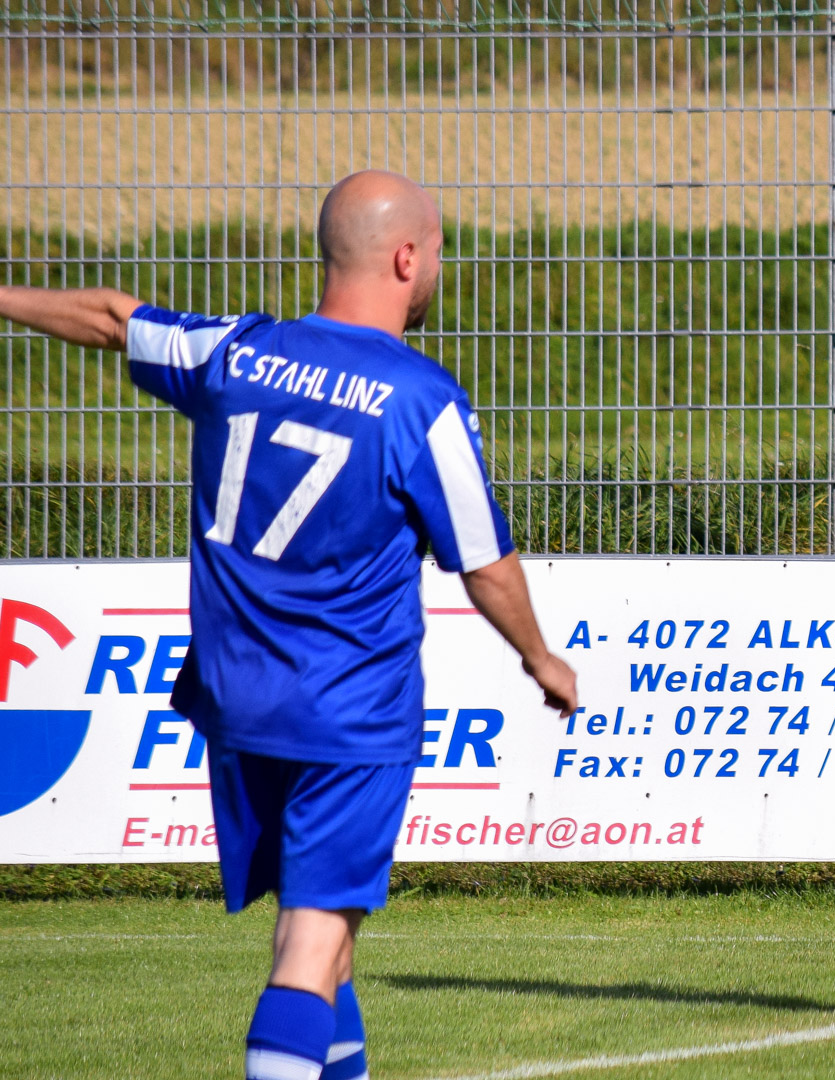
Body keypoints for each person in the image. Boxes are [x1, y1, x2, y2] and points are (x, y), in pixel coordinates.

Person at [0, 170, 578, 1080]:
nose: (437, 269)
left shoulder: (234, 353)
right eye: (437, 253)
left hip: (237, 704)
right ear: (406, 258)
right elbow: (484, 561)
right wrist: (541, 657)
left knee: (327, 945)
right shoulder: (418, 398)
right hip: (348, 712)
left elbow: (112, 317)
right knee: (310, 946)